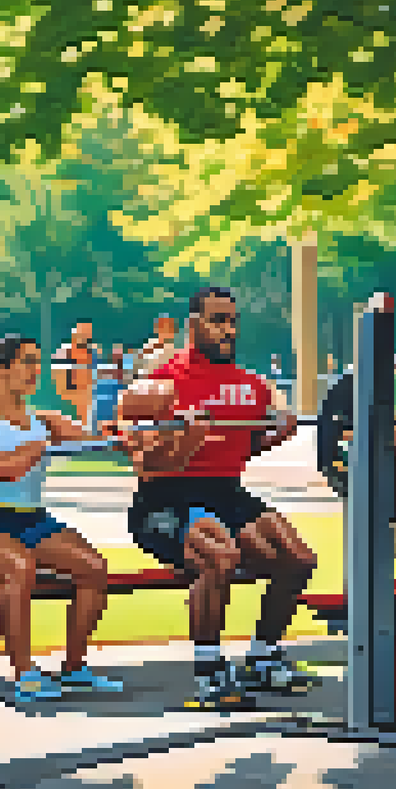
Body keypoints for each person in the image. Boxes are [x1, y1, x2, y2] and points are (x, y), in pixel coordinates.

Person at [117, 286, 318, 707]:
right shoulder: (160, 385)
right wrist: (187, 441)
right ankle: (208, 671)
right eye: (217, 320)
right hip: (165, 498)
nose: (228, 330)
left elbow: (245, 446)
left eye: (232, 320)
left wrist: (276, 434)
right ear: (194, 326)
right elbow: (146, 465)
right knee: (218, 557)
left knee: (297, 559)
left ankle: (263, 657)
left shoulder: (250, 387)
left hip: (226, 490)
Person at [0, 335, 123, 703]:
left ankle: (74, 668)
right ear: (1, 367)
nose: (34, 371)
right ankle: (25, 674)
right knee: (20, 569)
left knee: (93, 568)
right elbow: (1, 469)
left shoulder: (42, 419)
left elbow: (99, 441)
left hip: (33, 521)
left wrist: (113, 428)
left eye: (37, 362)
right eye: (26, 362)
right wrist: (38, 446)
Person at [53, 321, 101, 429]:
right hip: (69, 394)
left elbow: (95, 372)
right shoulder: (65, 351)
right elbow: (59, 377)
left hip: (87, 393)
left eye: (89, 335)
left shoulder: (93, 352)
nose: (87, 337)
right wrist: (69, 392)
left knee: (87, 424)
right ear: (75, 333)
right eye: (84, 334)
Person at [135, 315, 180, 379]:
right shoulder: (151, 343)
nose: (165, 331)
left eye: (169, 328)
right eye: (162, 327)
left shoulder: (175, 349)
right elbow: (140, 360)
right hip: (145, 377)